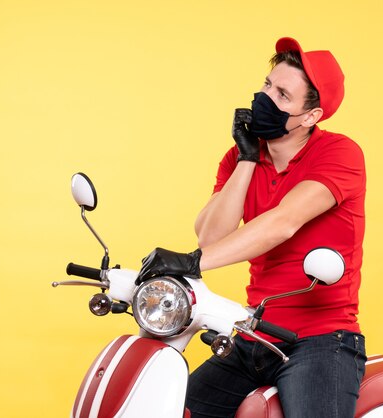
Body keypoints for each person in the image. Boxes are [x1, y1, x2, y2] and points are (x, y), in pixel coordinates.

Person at [137, 37, 367, 418]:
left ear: (310, 117)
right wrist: (246, 159)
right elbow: (210, 237)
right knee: (175, 409)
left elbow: (283, 222)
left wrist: (192, 263)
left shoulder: (340, 153)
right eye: (267, 85)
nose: (265, 98)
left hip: (323, 340)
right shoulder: (240, 155)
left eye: (282, 96)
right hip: (255, 334)